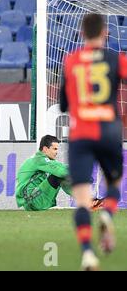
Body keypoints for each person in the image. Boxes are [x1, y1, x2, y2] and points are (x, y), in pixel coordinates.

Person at [60, 13, 127, 271]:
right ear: (105, 32)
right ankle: (108, 213)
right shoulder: (115, 59)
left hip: (80, 135)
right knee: (114, 182)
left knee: (82, 200)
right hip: (109, 130)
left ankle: (88, 253)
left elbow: (64, 104)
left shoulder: (71, 60)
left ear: (81, 33)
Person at [15, 135, 73, 211]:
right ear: (45, 149)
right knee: (58, 176)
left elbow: (62, 166)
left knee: (62, 175)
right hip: (32, 201)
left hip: (35, 200)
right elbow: (61, 172)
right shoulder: (39, 159)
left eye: (57, 149)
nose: (56, 152)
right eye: (54, 149)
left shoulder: (45, 161)